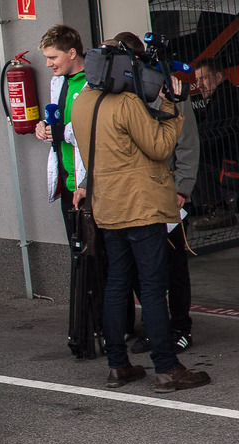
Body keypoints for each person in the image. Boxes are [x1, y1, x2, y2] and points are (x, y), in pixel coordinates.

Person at [72, 54, 211, 393]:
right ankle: (166, 368)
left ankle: (118, 366)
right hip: (141, 205)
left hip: (108, 205)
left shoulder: (82, 102)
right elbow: (160, 146)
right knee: (152, 286)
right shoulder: (127, 104)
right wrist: (173, 106)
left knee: (117, 282)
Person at [35, 24, 88, 242]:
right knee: (77, 250)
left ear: (72, 53)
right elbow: (58, 119)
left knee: (95, 252)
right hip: (67, 183)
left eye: (53, 57)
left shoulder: (93, 82)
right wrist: (44, 126)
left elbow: (95, 129)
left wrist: (61, 132)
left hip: (89, 184)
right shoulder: (58, 81)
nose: (48, 64)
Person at [190, 57, 239, 211]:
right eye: (197, 80)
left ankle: (216, 210)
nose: (199, 85)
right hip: (227, 159)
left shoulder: (225, 98)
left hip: (231, 163)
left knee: (194, 160)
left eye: (203, 78)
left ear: (218, 76)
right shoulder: (222, 96)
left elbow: (210, 136)